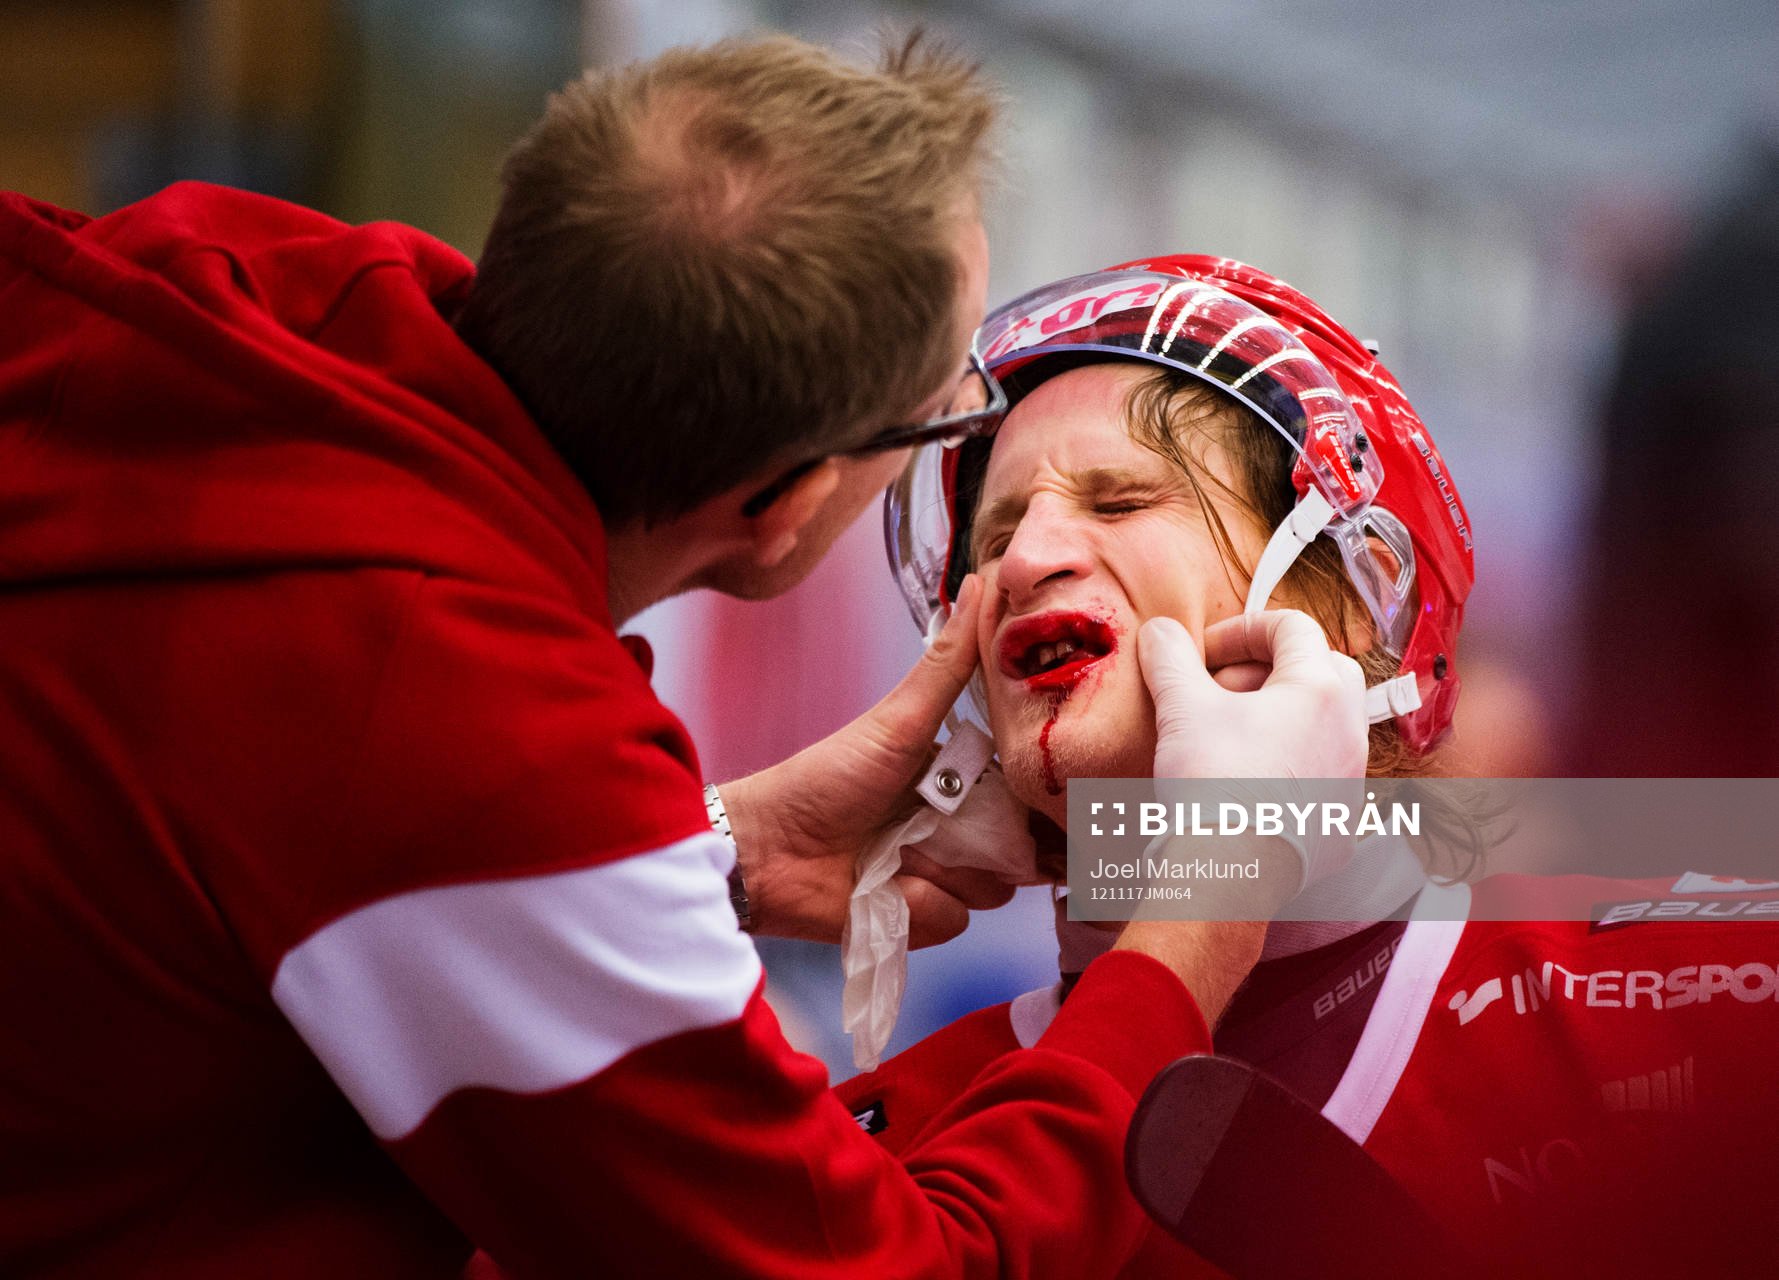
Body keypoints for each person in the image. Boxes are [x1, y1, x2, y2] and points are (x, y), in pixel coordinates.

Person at [0, 37, 1373, 1279]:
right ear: (778, 502)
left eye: (1122, 500)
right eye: (953, 444)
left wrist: (710, 849)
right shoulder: (473, 740)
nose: (1025, 557)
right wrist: (1206, 901)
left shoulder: (210, 296)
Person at [847, 253, 1779, 1276]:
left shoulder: (1695, 995)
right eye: (997, 534)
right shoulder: (886, 1139)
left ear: (1345, 602)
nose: (1021, 562)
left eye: (1118, 502)